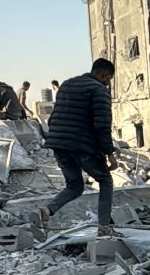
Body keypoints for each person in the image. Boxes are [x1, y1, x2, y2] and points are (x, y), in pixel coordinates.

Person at [40, 59, 118, 230]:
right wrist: (110, 153)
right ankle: (104, 227)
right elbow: (102, 125)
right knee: (105, 181)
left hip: (59, 144)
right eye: (109, 78)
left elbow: (53, 118)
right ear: (104, 75)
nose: (108, 83)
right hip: (82, 145)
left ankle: (47, 210)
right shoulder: (99, 90)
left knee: (74, 186)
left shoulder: (67, 85)